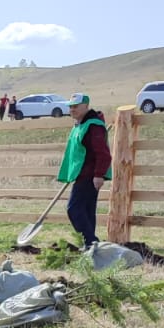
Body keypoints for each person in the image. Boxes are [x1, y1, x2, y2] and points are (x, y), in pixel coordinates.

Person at [59, 96, 110, 248]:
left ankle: (90, 242)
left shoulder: (93, 126)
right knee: (86, 211)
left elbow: (103, 153)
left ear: (86, 106)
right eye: (70, 106)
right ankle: (92, 246)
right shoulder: (81, 125)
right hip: (82, 174)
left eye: (76, 106)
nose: (72, 109)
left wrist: (99, 175)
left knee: (73, 209)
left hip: (90, 176)